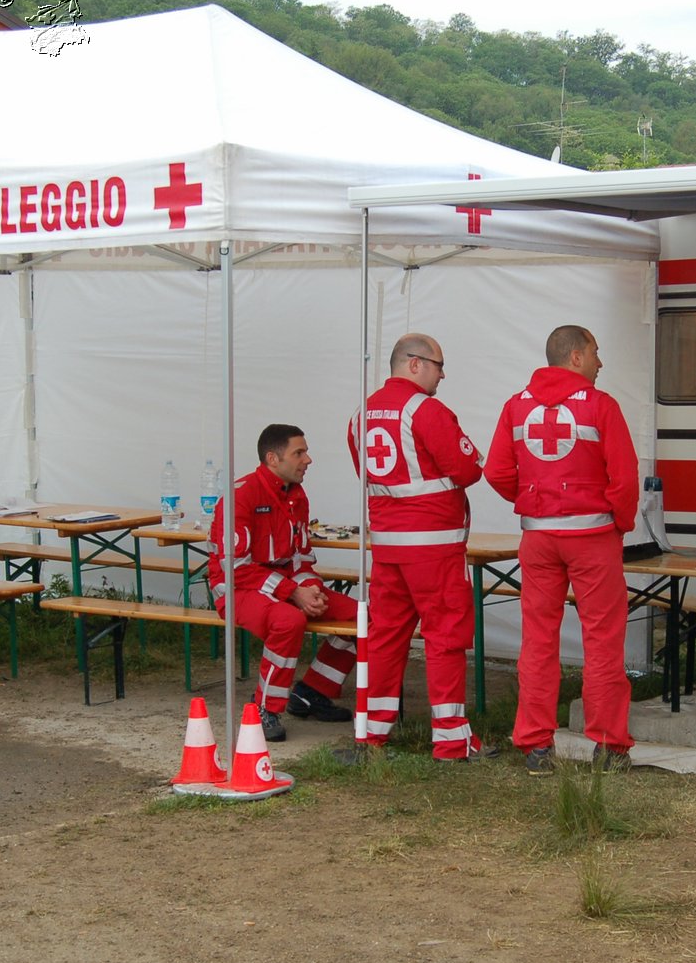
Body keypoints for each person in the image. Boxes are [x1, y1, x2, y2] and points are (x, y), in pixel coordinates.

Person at [485, 325, 638, 775]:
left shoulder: (515, 406)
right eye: (595, 352)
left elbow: (495, 471)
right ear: (575, 357)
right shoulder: (600, 405)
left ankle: (535, 746)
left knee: (537, 640)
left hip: (538, 537)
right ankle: (609, 747)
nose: (600, 362)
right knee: (603, 641)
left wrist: (531, 501)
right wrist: (619, 525)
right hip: (592, 538)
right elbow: (625, 479)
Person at [348, 334, 492, 760]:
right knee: (445, 637)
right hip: (435, 548)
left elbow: (368, 474)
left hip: (388, 548)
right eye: (438, 365)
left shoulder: (360, 414)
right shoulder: (426, 411)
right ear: (414, 363)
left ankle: (373, 732)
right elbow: (468, 469)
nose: (442, 374)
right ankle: (450, 739)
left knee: (386, 636)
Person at [209, 424, 357, 742]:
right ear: (273, 459)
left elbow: (300, 559)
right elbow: (235, 568)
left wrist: (311, 589)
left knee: (362, 617)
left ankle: (310, 693)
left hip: (283, 585)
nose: (308, 460)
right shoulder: (240, 496)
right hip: (237, 588)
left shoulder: (296, 495)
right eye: (299, 453)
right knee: (289, 620)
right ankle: (265, 708)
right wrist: (294, 593)